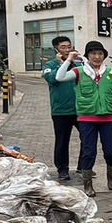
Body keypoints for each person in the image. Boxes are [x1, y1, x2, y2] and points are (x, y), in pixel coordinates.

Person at [55, 40, 112, 197]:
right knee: (89, 151)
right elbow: (59, 77)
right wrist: (68, 60)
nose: (97, 56)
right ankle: (87, 184)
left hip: (108, 118)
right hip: (87, 118)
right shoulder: (79, 71)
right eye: (93, 53)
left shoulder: (110, 72)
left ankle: (111, 177)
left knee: (110, 151)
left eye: (100, 53)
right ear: (87, 56)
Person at [42, 36, 78, 182]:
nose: (67, 50)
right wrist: (60, 64)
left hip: (80, 109)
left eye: (69, 46)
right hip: (61, 110)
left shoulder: (77, 65)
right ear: (56, 49)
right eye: (63, 47)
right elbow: (52, 79)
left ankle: (84, 167)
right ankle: (62, 169)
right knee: (62, 141)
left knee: (88, 138)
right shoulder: (49, 65)